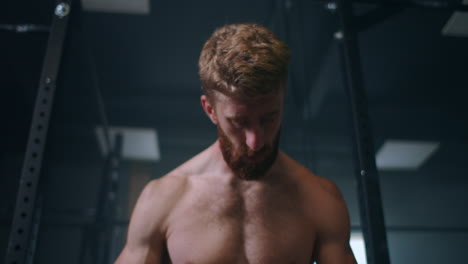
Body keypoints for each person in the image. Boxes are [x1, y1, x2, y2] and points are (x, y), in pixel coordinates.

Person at [115, 23, 357, 264]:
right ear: (210, 109)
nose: (256, 141)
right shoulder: (163, 198)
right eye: (239, 122)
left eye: (269, 117)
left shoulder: (320, 198)